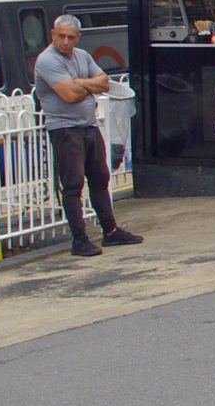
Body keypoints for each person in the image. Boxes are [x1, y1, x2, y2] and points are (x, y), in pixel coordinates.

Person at [34, 14, 142, 257]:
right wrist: (87, 85)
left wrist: (79, 82)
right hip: (64, 128)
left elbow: (104, 83)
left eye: (70, 37)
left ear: (78, 38)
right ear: (53, 35)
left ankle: (110, 230)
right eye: (60, 36)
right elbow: (69, 96)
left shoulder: (82, 56)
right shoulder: (47, 61)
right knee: (73, 183)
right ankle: (79, 239)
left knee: (100, 177)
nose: (65, 42)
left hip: (88, 125)